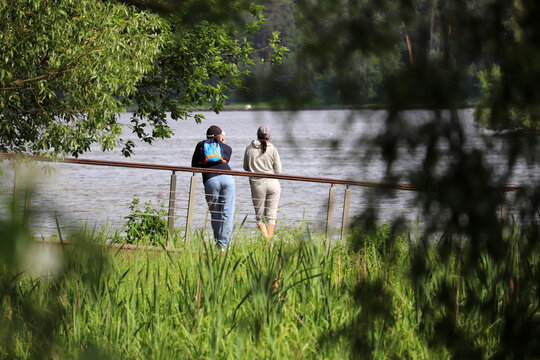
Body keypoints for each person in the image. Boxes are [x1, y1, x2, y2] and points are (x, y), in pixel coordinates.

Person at [191, 125, 235, 249]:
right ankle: (225, 247)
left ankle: (218, 245)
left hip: (210, 179)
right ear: (220, 137)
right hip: (228, 178)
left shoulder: (200, 146)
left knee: (215, 214)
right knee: (227, 213)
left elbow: (193, 165)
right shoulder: (226, 148)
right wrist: (222, 144)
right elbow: (226, 157)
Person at [243, 125, 282, 238]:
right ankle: (270, 244)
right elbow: (278, 171)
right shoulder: (273, 149)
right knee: (271, 216)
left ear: (257, 135)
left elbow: (245, 167)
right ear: (269, 137)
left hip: (257, 184)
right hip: (273, 184)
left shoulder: (249, 148)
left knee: (259, 217)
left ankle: (268, 242)